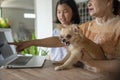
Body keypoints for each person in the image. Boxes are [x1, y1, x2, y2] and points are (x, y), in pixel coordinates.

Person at [9, 0, 80, 61]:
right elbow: (53, 51)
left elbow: (61, 43)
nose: (61, 15)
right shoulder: (56, 30)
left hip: (67, 65)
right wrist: (47, 60)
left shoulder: (76, 30)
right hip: (53, 63)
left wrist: (30, 43)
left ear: (73, 12)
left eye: (65, 12)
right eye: (58, 12)